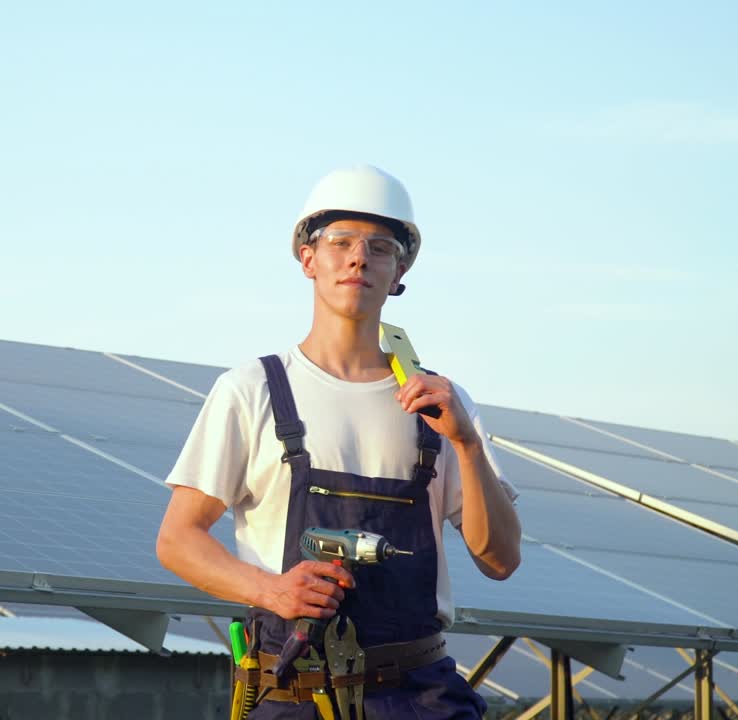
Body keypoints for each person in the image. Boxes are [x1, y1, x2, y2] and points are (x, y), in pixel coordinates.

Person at [156, 164, 522, 719]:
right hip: (294, 693)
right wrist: (271, 591)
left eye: (380, 247)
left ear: (400, 269)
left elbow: (500, 560)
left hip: (421, 696)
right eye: (340, 242)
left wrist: (467, 444)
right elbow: (177, 539)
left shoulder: (442, 404)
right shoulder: (251, 389)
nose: (358, 258)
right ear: (308, 258)